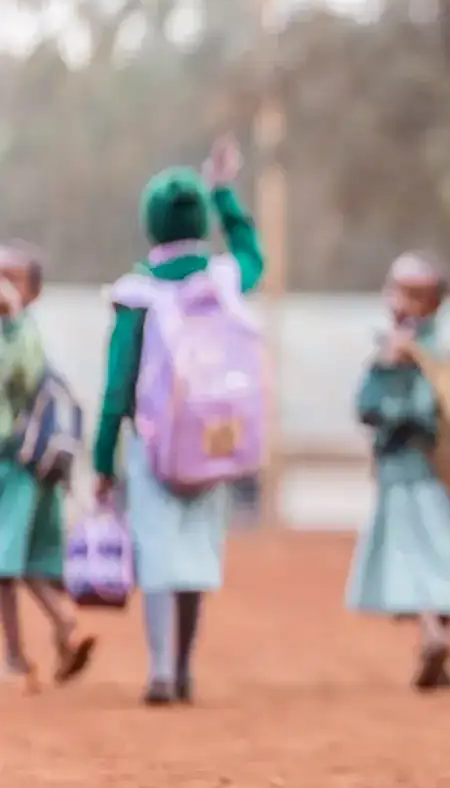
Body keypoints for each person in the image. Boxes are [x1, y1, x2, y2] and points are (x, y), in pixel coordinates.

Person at [94, 135, 263, 706]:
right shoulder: (222, 280)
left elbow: (117, 386)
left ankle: (160, 667)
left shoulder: (139, 293)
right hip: (214, 441)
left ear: (151, 225)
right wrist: (223, 194)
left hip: (155, 447)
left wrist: (102, 461)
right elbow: (251, 251)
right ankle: (186, 666)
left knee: (160, 555)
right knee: (196, 555)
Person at [344, 252, 450, 690]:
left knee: (422, 560)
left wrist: (392, 383)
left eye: (410, 293)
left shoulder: (429, 354)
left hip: (427, 473)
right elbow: (365, 406)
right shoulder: (397, 350)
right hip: (413, 474)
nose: (397, 301)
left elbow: (409, 411)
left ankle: (432, 633)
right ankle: (437, 642)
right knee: (437, 558)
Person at [0, 241, 94, 692]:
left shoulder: (22, 333)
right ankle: (66, 626)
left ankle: (16, 659)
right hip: (30, 461)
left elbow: (20, 374)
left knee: (4, 563)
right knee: (30, 557)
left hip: (15, 460)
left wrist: (13, 319)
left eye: (10, 276)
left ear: (31, 293)